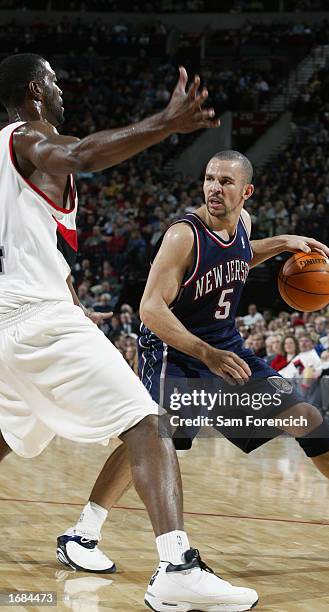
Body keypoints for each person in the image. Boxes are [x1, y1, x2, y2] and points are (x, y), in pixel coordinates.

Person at [63, 150, 329, 572]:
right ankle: (83, 532)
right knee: (154, 437)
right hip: (178, 354)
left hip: (228, 349)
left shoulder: (243, 225)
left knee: (305, 415)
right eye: (209, 178)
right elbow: (150, 309)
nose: (214, 188)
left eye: (225, 181)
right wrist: (206, 354)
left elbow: (239, 254)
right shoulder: (183, 235)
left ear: (246, 191)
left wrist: (282, 243)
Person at [0, 54, 258, 612]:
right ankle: (175, 566)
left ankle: (91, 534)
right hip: (36, 318)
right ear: (33, 91)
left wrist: (66, 293)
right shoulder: (28, 136)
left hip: (11, 323)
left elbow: (27, 240)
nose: (60, 87)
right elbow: (79, 154)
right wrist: (162, 123)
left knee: (8, 434)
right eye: (53, 80)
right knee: (148, 423)